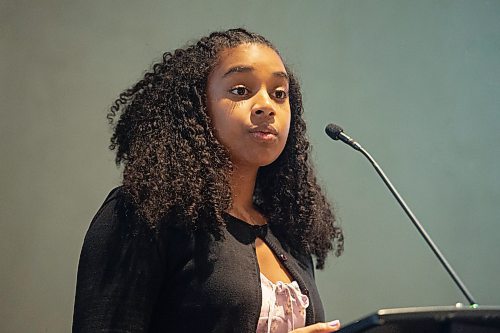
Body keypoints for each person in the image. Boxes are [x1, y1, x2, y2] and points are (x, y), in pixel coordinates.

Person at [73, 28, 344, 333]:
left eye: (279, 94)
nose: (267, 105)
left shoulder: (288, 234)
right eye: (240, 90)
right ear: (197, 107)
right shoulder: (142, 215)